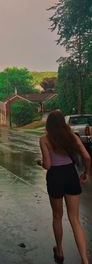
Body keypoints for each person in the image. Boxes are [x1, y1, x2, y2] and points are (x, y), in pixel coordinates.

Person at [38, 110, 91, 264]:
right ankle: (85, 259)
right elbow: (87, 157)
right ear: (63, 123)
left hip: (55, 177)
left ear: (49, 125)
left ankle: (60, 251)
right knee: (75, 219)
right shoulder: (72, 137)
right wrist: (86, 173)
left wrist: (40, 163)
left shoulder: (44, 140)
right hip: (70, 176)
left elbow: (48, 165)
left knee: (57, 216)